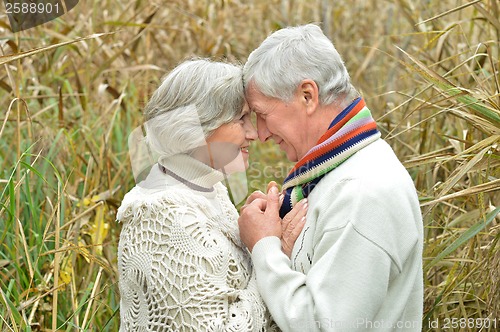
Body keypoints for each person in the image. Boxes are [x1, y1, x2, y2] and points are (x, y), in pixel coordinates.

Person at [238, 24, 424, 331]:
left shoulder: (362, 194)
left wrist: (265, 246)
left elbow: (325, 325)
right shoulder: (338, 174)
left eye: (262, 113)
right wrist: (281, 233)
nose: (261, 133)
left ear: (308, 96)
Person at [116, 59, 307, 331]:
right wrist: (274, 248)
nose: (253, 133)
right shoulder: (160, 215)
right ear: (196, 128)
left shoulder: (208, 187)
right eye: (241, 119)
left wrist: (255, 232)